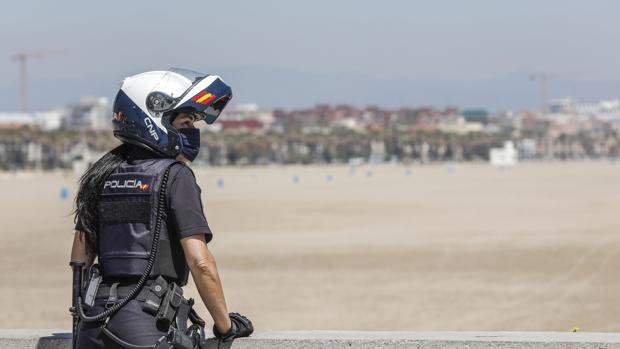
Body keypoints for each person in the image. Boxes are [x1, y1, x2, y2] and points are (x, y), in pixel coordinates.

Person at [69, 69, 253, 349]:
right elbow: (201, 264)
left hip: (92, 324)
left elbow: (80, 259)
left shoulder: (101, 175)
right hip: (144, 325)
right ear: (154, 119)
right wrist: (225, 326)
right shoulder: (175, 176)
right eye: (185, 121)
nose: (192, 131)